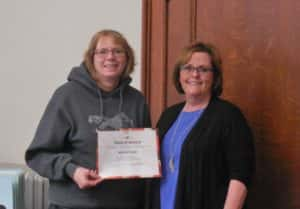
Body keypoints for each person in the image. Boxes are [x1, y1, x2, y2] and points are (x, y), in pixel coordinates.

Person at [25, 29, 151, 209]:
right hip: (74, 204)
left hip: (125, 204)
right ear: (91, 58)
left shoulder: (137, 100)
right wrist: (72, 170)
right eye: (103, 51)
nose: (111, 57)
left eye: (118, 51)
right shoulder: (67, 96)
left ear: (127, 58)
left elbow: (144, 157)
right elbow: (37, 155)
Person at [151, 42, 255, 209]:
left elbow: (241, 174)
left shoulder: (229, 116)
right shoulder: (168, 115)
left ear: (214, 77)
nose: (195, 74)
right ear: (179, 74)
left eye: (203, 69)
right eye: (188, 68)